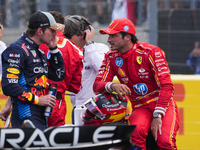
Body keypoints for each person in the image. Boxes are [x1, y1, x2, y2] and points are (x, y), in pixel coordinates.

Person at [93, 18, 179, 149]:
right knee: (135, 137)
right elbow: (97, 85)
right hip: (139, 106)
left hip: (162, 105)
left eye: (113, 36)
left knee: (165, 141)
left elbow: (167, 86)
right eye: (109, 36)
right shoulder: (111, 57)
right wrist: (113, 86)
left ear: (128, 37)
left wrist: (157, 115)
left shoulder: (151, 52)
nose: (108, 40)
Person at [1, 11, 65, 131]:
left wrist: (54, 49)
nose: (55, 34)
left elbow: (58, 75)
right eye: (52, 30)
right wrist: (38, 100)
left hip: (39, 114)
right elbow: (9, 86)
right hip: (25, 114)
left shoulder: (39, 51)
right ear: (39, 31)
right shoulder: (17, 49)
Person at [64, 15, 109, 122]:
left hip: (97, 108)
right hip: (77, 108)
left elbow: (102, 68)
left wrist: (89, 45)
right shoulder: (67, 51)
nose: (66, 39)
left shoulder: (99, 48)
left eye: (69, 35)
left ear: (83, 34)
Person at [42, 11, 83, 127]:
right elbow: (75, 86)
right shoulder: (76, 50)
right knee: (54, 140)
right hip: (56, 101)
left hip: (31, 99)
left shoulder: (34, 43)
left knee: (29, 139)